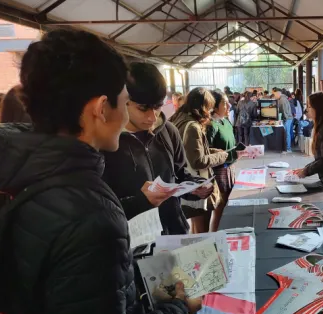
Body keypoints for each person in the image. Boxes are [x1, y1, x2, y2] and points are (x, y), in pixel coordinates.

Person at [0, 29, 202, 314]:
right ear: (101, 108)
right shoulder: (89, 211)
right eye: (124, 99)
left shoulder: (12, 180)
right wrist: (178, 310)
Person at [102, 62, 212, 236]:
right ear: (124, 101)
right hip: (134, 242)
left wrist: (195, 188)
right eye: (143, 108)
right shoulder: (107, 142)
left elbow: (180, 174)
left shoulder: (168, 131)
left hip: (175, 232)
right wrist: (141, 202)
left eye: (158, 107)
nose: (152, 117)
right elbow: (101, 208)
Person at [171, 87, 228, 233]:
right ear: (202, 107)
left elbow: (192, 150)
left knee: (196, 228)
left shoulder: (178, 120)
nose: (209, 112)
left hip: (185, 183)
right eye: (209, 108)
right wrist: (221, 156)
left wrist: (213, 151)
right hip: (197, 184)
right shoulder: (193, 126)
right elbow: (198, 160)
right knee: (201, 229)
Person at [207, 90, 238, 232]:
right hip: (217, 171)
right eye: (224, 103)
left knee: (226, 206)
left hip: (229, 168)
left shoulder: (226, 122)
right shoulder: (211, 125)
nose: (228, 106)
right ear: (214, 105)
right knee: (219, 210)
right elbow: (206, 152)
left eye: (228, 102)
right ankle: (216, 237)